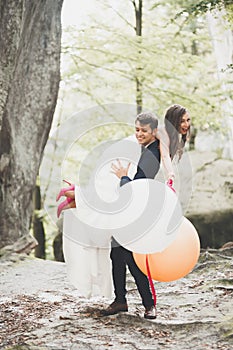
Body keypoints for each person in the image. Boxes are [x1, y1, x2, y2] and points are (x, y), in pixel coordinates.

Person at [101, 112, 161, 320]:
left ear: (154, 131)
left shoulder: (152, 154)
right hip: (129, 211)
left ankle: (149, 304)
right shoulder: (146, 149)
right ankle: (120, 300)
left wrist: (123, 176)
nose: (139, 134)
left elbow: (137, 187)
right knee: (116, 254)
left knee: (131, 257)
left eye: (144, 130)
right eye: (136, 129)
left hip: (138, 211)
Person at [156, 104, 191, 190]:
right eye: (182, 121)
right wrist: (170, 174)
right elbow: (165, 155)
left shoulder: (172, 136)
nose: (186, 124)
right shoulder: (162, 132)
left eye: (188, 120)